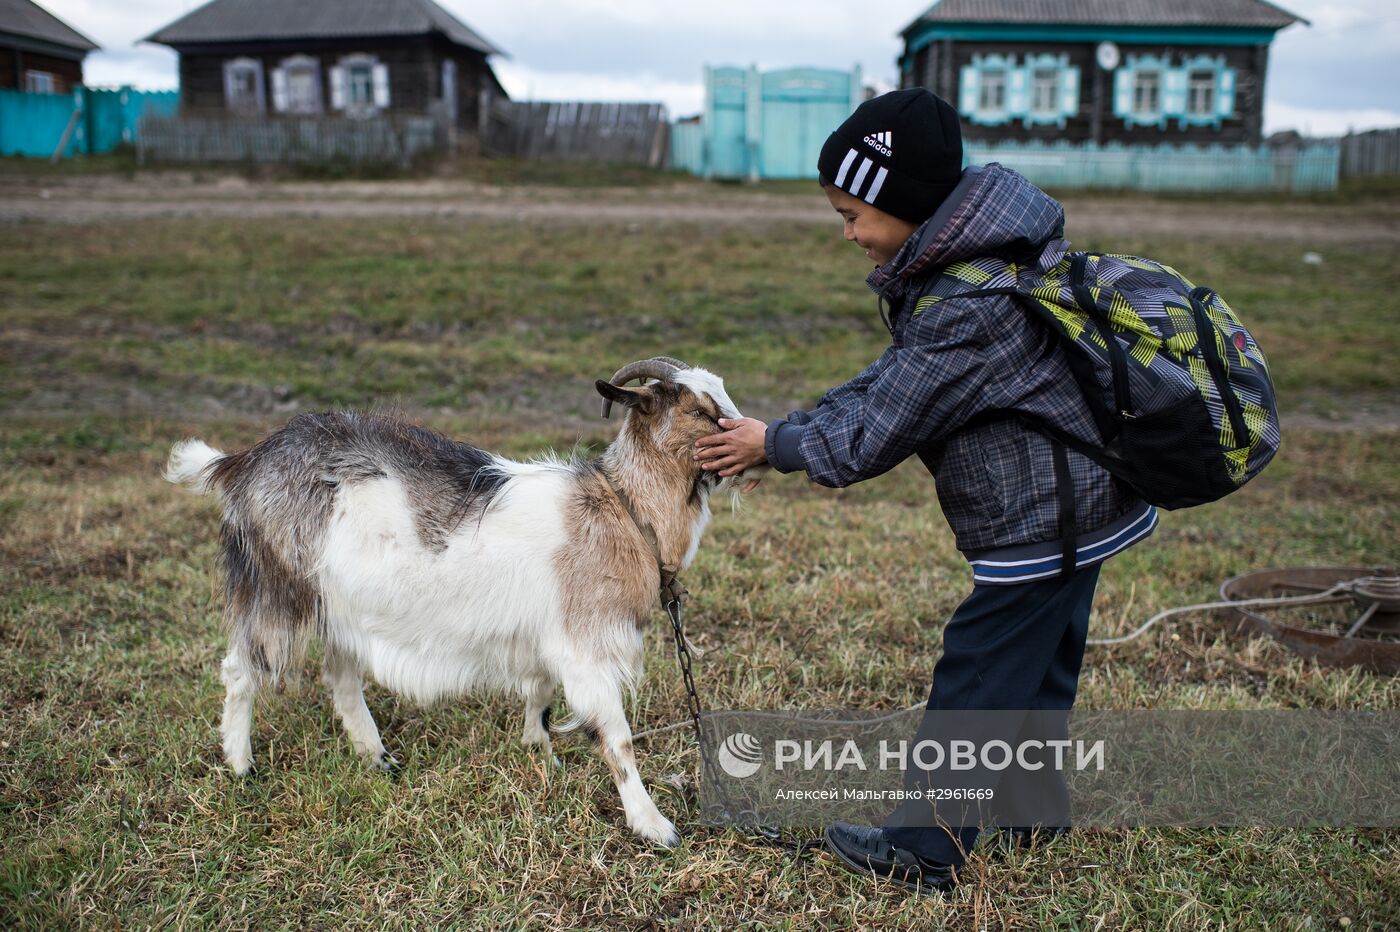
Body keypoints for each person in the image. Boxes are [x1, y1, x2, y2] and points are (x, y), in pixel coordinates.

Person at [691, 88, 1157, 895]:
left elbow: (879, 431)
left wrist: (779, 445)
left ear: (902, 204)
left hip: (1042, 519)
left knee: (979, 674)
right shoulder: (977, 263)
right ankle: (1030, 816)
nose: (846, 234)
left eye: (852, 215)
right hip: (1080, 506)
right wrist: (790, 428)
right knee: (1038, 671)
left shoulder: (968, 303)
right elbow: (889, 384)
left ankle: (925, 849)